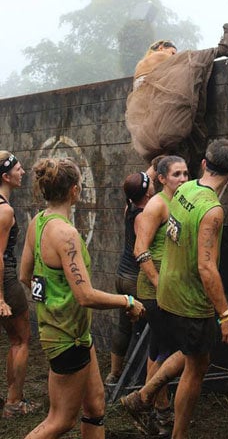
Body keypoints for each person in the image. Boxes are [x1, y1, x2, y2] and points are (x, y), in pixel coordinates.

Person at [122, 139, 228, 439]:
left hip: (167, 294)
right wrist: (225, 313)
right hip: (189, 299)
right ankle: (177, 433)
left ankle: (143, 396)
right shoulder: (212, 209)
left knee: (192, 355)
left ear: (203, 164)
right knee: (196, 366)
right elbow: (206, 266)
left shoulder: (184, 191)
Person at [19, 157, 145, 439]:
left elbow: (26, 276)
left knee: (95, 405)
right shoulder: (66, 234)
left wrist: (51, 302)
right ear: (75, 191)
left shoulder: (38, 222)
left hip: (74, 334)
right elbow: (85, 296)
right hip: (66, 337)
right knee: (60, 420)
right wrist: (127, 301)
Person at [125, 23, 228, 176]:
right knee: (191, 60)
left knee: (166, 159)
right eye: (172, 52)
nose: (174, 56)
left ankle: (145, 187)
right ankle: (223, 49)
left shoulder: (141, 68)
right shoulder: (157, 57)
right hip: (164, 124)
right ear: (160, 47)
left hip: (148, 133)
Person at [133, 155, 189, 437]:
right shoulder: (155, 206)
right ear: (162, 178)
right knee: (170, 348)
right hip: (154, 291)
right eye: (176, 174)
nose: (182, 178)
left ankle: (154, 411)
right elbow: (140, 250)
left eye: (185, 173)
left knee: (157, 349)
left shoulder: (181, 201)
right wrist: (159, 283)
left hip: (171, 287)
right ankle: (153, 406)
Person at [104, 169, 155, 386]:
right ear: (146, 192)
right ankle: (137, 379)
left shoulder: (130, 207)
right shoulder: (144, 216)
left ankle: (114, 375)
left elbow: (142, 178)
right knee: (144, 330)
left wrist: (157, 159)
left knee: (123, 327)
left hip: (122, 276)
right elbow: (141, 250)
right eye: (151, 182)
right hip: (136, 279)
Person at [0, 151, 40, 418]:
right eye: (18, 168)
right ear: (5, 176)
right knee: (21, 340)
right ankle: (14, 403)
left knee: (13, 339)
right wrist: (1, 297)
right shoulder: (5, 210)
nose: (23, 172)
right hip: (5, 280)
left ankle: (10, 396)